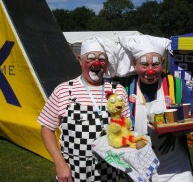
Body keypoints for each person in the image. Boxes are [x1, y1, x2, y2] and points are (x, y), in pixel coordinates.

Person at [37, 37, 130, 182]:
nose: (96, 63)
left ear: (106, 64)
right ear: (80, 60)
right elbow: (47, 128)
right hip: (73, 171)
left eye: (102, 59)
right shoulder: (64, 90)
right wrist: (59, 163)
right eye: (90, 58)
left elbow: (125, 127)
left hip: (109, 171)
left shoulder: (118, 91)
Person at [116, 35, 193, 182]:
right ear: (134, 64)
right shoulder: (125, 87)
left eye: (155, 65)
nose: (150, 71)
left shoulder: (176, 85)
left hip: (174, 165)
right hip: (139, 163)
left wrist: (176, 131)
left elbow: (191, 114)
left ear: (163, 62)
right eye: (144, 65)